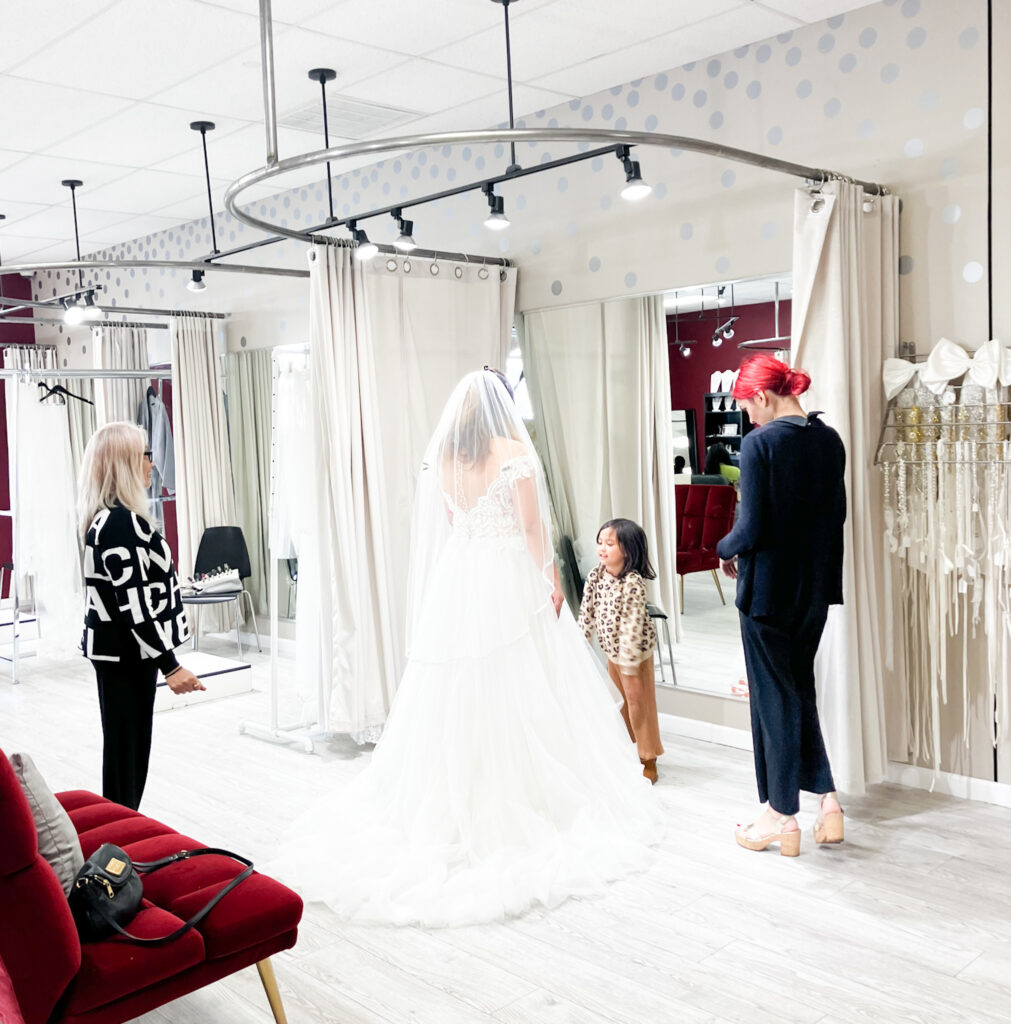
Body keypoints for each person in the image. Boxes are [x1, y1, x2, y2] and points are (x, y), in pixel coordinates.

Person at [271, 369, 659, 926]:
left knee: (456, 685)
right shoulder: (513, 451)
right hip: (505, 574)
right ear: (502, 405)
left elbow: (455, 520)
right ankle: (522, 800)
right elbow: (531, 528)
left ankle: (452, 800)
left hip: (460, 576)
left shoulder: (447, 459)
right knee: (522, 682)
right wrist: (550, 577)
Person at [716, 355, 846, 856]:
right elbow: (836, 517)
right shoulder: (828, 439)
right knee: (798, 691)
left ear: (764, 397)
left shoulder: (760, 443)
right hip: (813, 592)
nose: (747, 416)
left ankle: (779, 815)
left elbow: (750, 529)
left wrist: (723, 549)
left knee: (774, 699)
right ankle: (828, 804)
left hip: (767, 593)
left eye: (747, 405)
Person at [78, 422, 204, 810]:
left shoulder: (109, 518)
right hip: (127, 657)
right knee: (126, 761)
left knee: (125, 757)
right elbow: (133, 603)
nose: (152, 465)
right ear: (126, 464)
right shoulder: (121, 524)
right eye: (145, 456)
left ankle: (118, 847)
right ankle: (116, 851)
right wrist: (170, 665)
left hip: (121, 656)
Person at [578, 519, 664, 784]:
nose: (602, 548)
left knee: (639, 704)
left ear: (627, 549)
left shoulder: (633, 583)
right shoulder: (596, 575)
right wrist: (579, 643)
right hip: (612, 652)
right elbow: (587, 612)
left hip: (634, 656)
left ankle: (647, 756)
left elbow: (632, 625)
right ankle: (627, 749)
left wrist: (628, 664)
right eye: (600, 542)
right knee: (620, 702)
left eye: (610, 544)